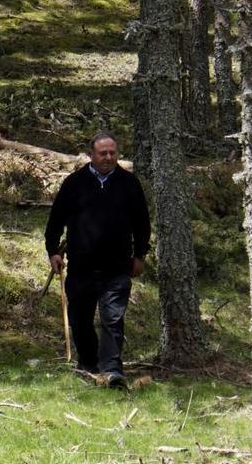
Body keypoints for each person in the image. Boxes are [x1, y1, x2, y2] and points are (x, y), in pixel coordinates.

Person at [44, 132, 151, 388]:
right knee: (80, 318)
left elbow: (142, 223)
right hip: (81, 267)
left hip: (117, 266)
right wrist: (53, 251)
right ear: (91, 155)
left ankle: (112, 370)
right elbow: (55, 221)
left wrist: (140, 255)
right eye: (103, 153)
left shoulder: (129, 184)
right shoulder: (74, 183)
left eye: (113, 153)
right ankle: (89, 363)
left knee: (112, 318)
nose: (108, 157)